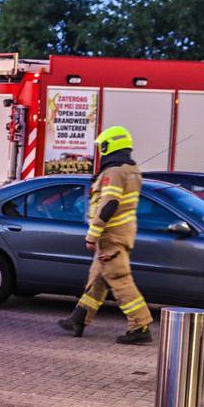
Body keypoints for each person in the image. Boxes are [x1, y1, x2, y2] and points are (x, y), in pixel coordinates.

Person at [58, 126, 152, 344]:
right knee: (98, 279)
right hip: (121, 232)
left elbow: (109, 204)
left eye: (103, 147)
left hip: (111, 235)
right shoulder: (132, 170)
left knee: (120, 280)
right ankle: (79, 318)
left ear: (111, 145)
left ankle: (140, 326)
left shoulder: (114, 172)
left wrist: (93, 233)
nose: (102, 152)